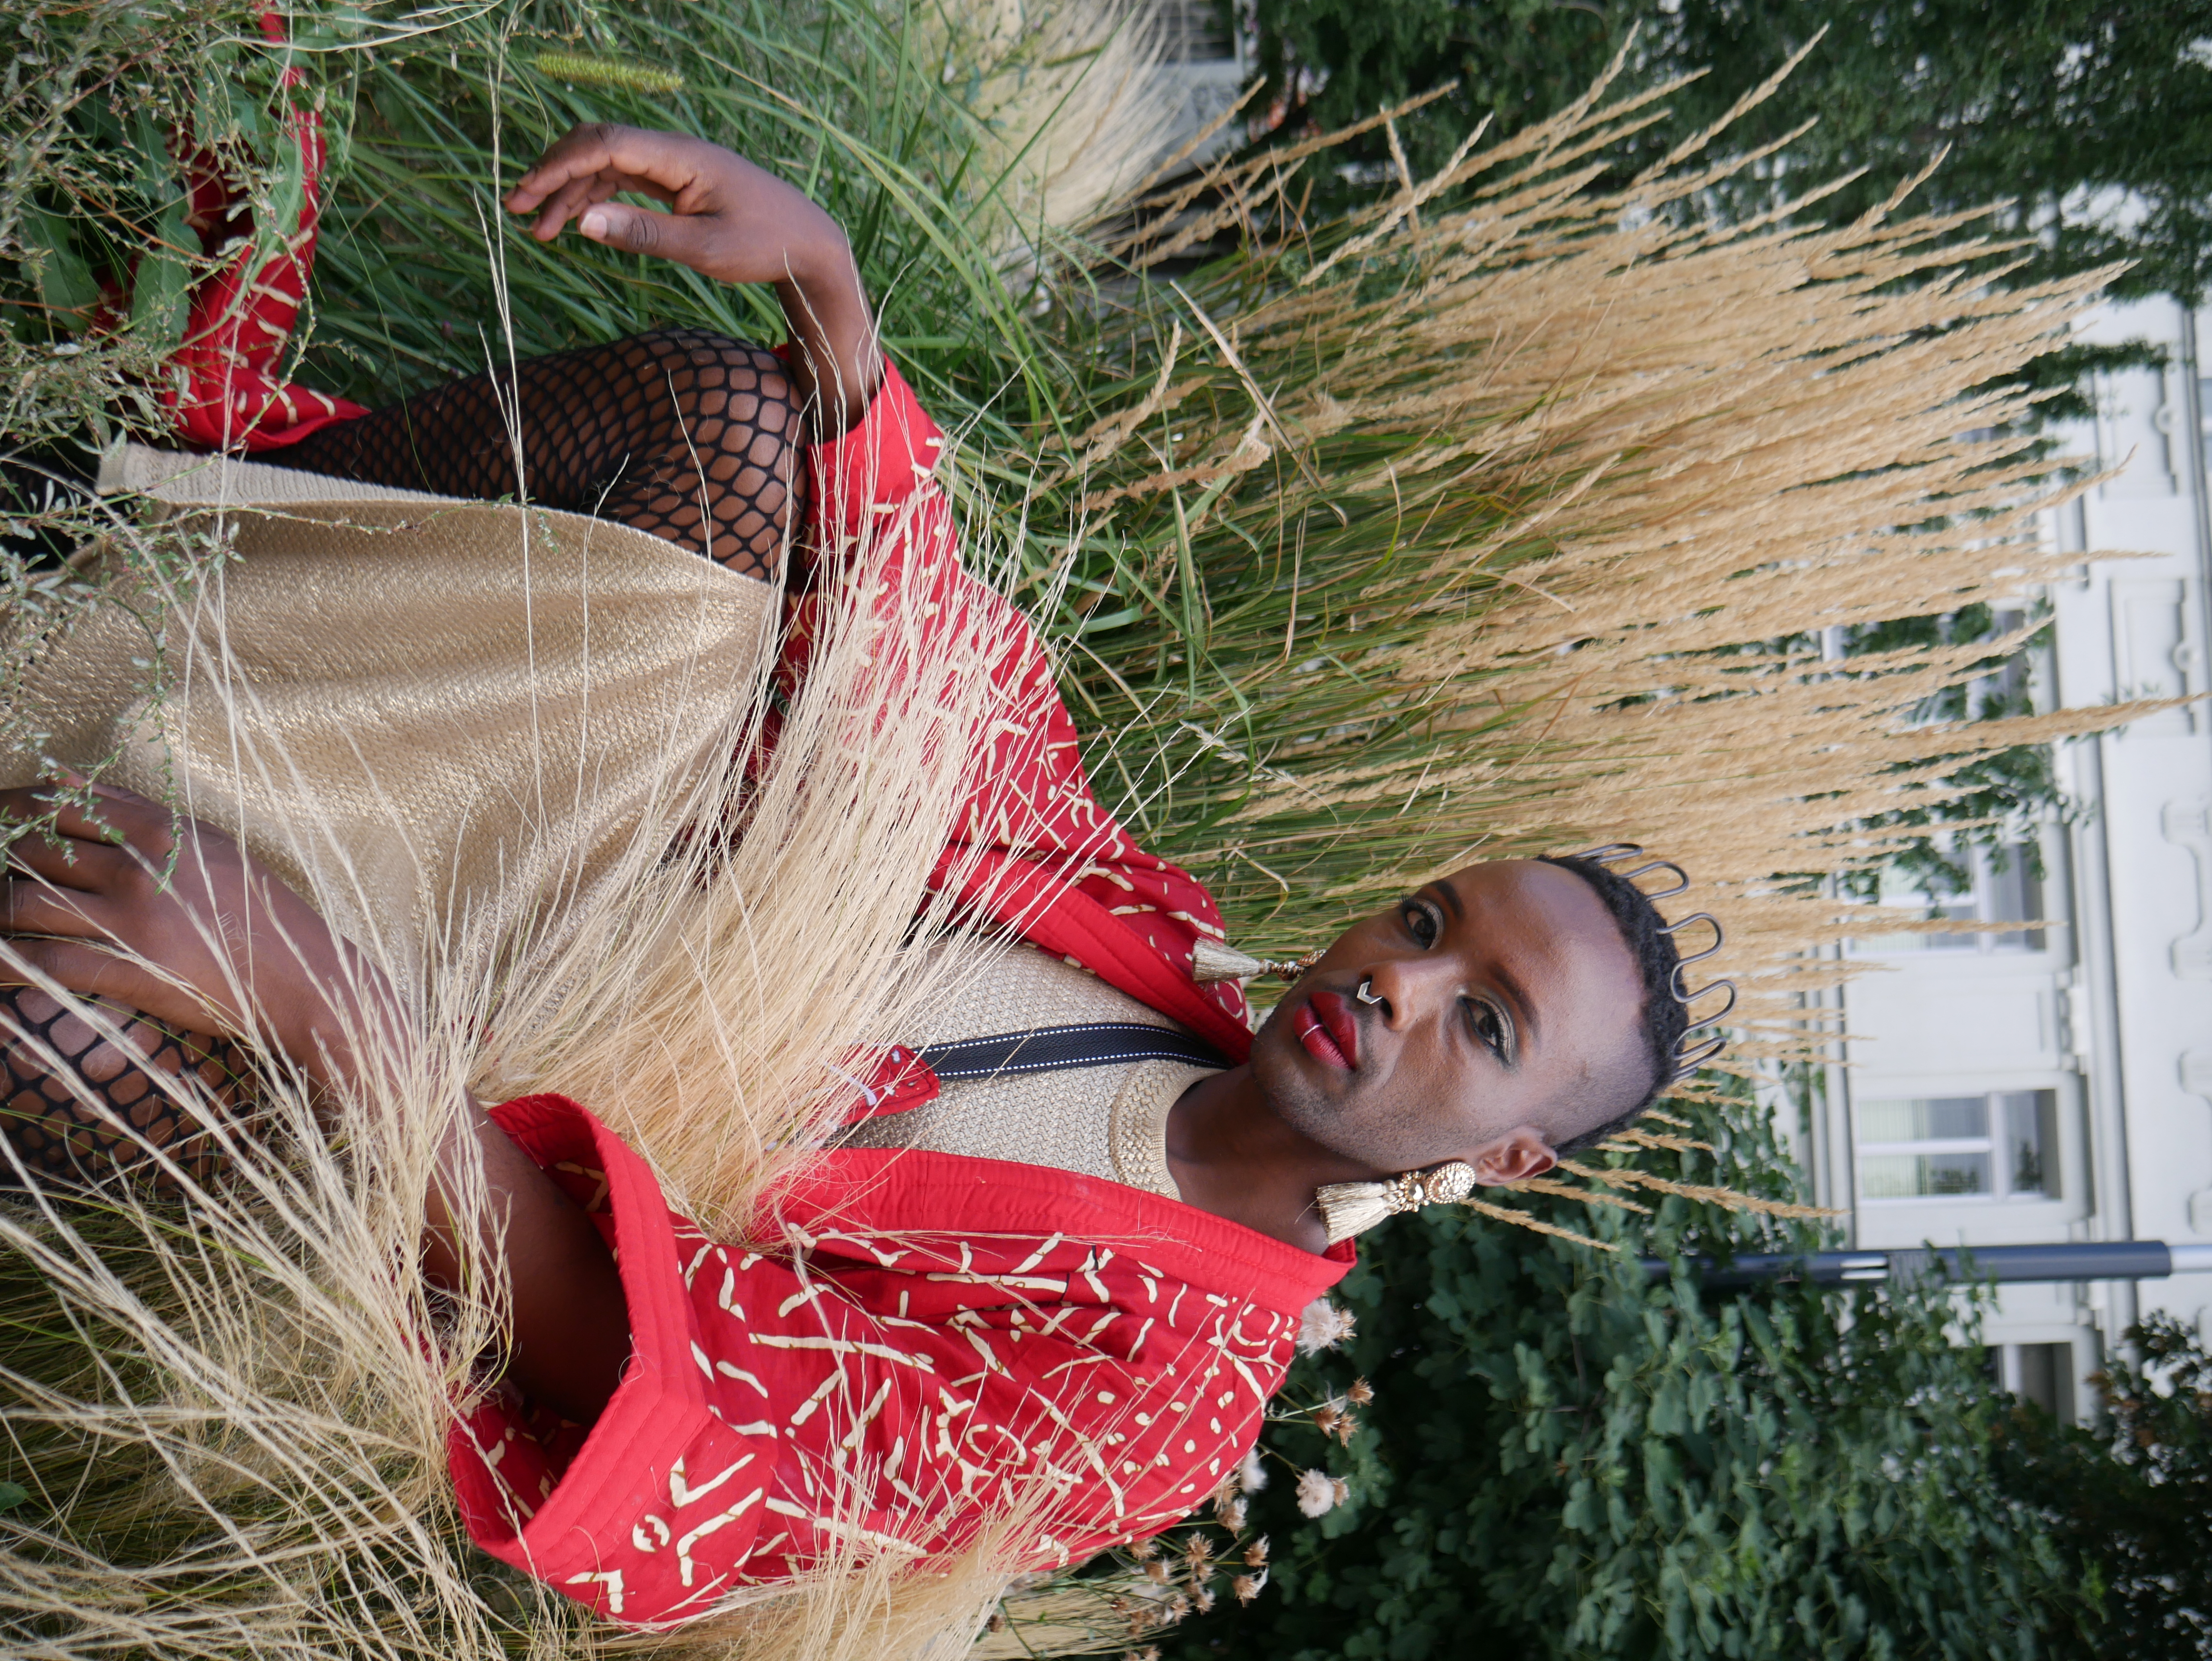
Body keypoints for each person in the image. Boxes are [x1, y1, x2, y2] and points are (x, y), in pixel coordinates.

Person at [0, 126, 1722, 1628]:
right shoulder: (1158, 947)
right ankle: (123, 515)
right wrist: (829, 290)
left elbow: (718, 1435)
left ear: (1503, 1157)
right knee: (741, 431)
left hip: (423, 1117)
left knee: (40, 1006)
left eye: (1484, 1023)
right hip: (524, 834)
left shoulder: (1174, 1399)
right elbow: (940, 693)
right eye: (1429, 923)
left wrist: (321, 997)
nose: (1398, 981)